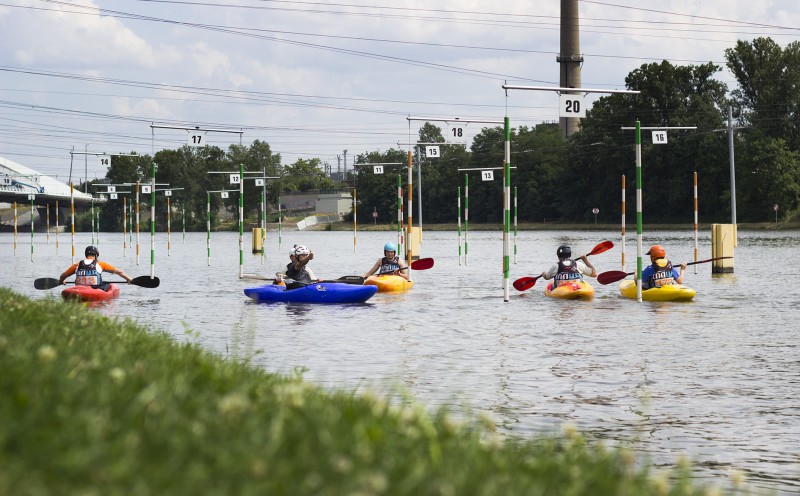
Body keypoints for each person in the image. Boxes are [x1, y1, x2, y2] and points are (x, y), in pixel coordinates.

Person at [59, 245, 133, 291]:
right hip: (95, 289)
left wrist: (61, 281)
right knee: (109, 285)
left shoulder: (77, 265)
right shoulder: (100, 264)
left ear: (86, 255)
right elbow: (120, 272)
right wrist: (129, 279)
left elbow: (63, 276)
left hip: (79, 288)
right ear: (96, 255)